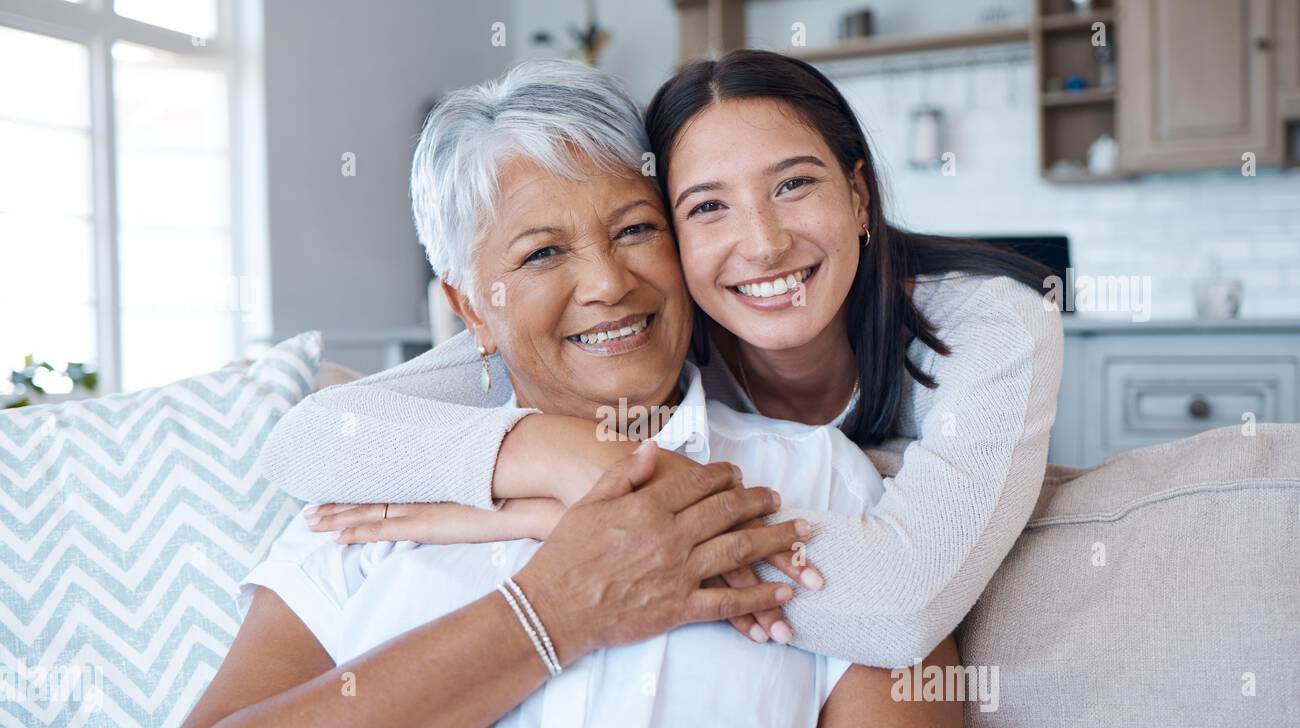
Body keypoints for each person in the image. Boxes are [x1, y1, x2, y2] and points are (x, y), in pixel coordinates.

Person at [159, 59, 962, 728]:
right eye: (542, 253)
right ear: (470, 308)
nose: (608, 283)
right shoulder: (373, 503)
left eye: (635, 230)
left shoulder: (822, 484)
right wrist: (553, 611)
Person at [258, 50, 1065, 667]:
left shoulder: (987, 323)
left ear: (859, 196)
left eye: (793, 185)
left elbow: (903, 603)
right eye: (706, 207)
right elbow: (313, 437)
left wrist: (577, 510)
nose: (762, 243)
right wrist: (565, 453)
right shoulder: (648, 332)